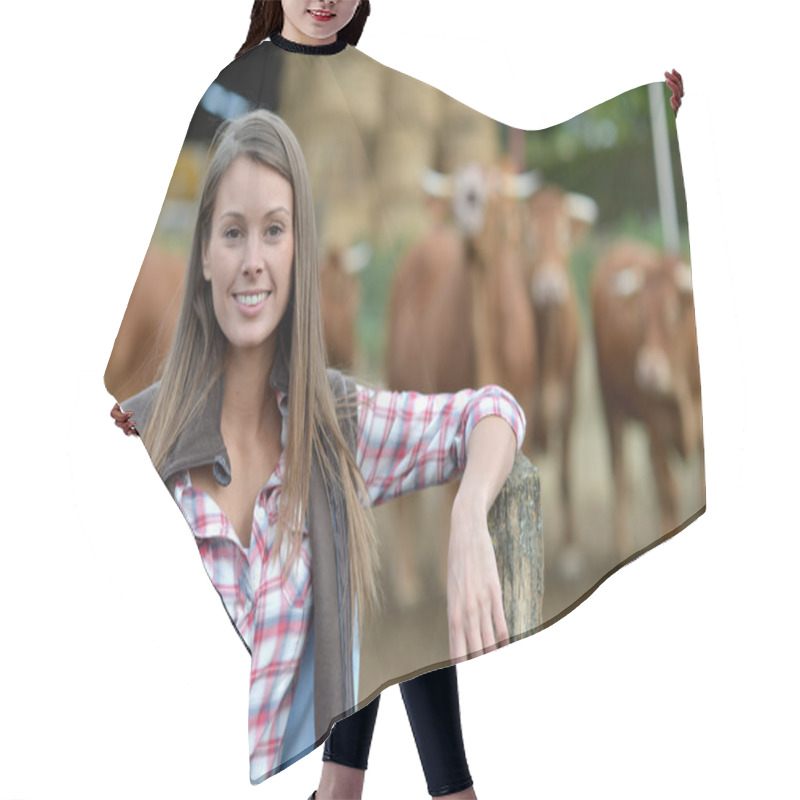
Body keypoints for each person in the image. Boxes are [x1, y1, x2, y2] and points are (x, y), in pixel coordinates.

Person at [111, 105, 524, 790]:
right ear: (205, 256)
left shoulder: (339, 430)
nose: (252, 261)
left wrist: (469, 515)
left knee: (358, 579)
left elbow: (492, 409)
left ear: (300, 254)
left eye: (274, 231)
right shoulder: (139, 450)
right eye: (233, 233)